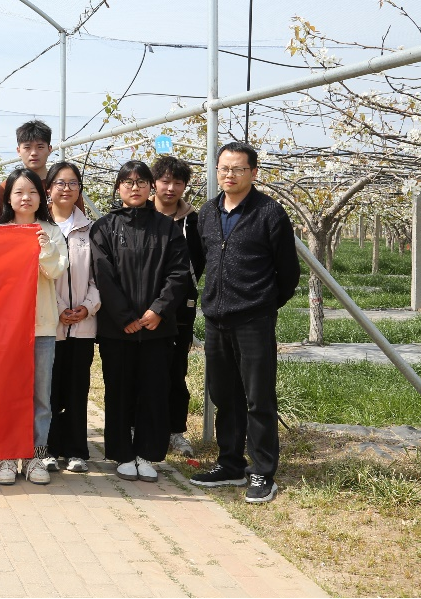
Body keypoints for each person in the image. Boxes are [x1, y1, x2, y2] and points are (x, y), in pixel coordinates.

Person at [191, 142, 299, 504]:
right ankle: (230, 464)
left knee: (258, 398)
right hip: (216, 319)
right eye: (224, 168)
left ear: (253, 172)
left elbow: (288, 272)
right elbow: (202, 260)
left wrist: (263, 304)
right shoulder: (208, 213)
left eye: (238, 169)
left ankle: (262, 471)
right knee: (224, 395)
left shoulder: (269, 212)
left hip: (254, 319)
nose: (230, 175)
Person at [90, 161, 189, 483]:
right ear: (118, 187)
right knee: (118, 390)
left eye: (141, 182)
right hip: (117, 329)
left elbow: (179, 273)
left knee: (154, 391)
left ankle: (148, 454)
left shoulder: (168, 228)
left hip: (157, 328)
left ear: (151, 187)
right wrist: (124, 317)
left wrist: (158, 310)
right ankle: (122, 453)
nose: (135, 188)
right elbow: (102, 274)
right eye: (128, 182)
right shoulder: (104, 227)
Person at [0, 169, 65, 486]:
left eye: (33, 192)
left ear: (41, 197)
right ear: (8, 198)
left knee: (40, 397)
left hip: (42, 326)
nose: (26, 198)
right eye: (19, 192)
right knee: (6, 393)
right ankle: (6, 454)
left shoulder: (51, 231)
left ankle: (35, 457)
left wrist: (44, 247)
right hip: (6, 329)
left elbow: (55, 271)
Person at [43, 161, 101, 475]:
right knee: (49, 390)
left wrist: (87, 307)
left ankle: (77, 451)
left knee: (78, 389)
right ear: (48, 189)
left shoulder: (92, 230)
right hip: (49, 325)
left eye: (73, 183)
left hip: (82, 325)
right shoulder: (39, 229)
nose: (66, 189)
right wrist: (57, 309)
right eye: (60, 183)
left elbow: (99, 277)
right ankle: (49, 449)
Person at [151, 155, 206, 458]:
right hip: (144, 307)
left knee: (176, 370)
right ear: (154, 183)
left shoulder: (194, 223)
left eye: (177, 182)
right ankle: (138, 427)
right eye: (165, 181)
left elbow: (200, 261)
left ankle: (176, 431)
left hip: (181, 307)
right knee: (142, 370)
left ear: (185, 186)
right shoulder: (141, 216)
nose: (170, 188)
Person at [0, 120, 52, 218]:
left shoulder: (62, 186)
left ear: (49, 149)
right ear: (18, 151)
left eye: (40, 147)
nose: (34, 153)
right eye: (27, 147)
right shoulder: (5, 189)